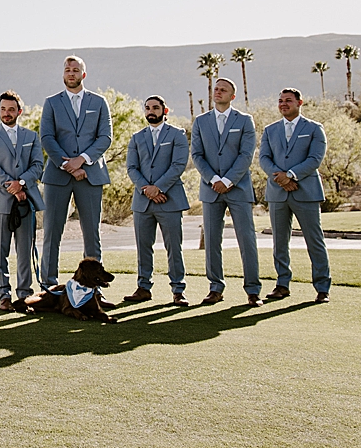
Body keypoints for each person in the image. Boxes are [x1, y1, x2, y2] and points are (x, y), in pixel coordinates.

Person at [38, 55, 112, 291]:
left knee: (92, 233)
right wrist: (67, 164)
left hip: (90, 175)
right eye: (68, 70)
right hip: (58, 176)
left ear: (84, 74)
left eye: (76, 70)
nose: (71, 73)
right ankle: (48, 285)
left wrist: (82, 160)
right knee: (52, 231)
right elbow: (47, 137)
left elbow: (105, 138)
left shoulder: (99, 102)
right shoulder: (52, 103)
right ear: (63, 74)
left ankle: (93, 287)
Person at [191, 77, 262, 307]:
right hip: (210, 189)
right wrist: (213, 179)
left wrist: (228, 180)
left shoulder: (244, 121)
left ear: (233, 96)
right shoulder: (201, 121)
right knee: (212, 241)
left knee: (246, 239)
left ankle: (252, 290)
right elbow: (197, 154)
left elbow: (246, 154)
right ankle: (215, 288)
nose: (218, 92)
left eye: (223, 90)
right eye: (216, 89)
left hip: (238, 187)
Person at [260, 87, 332, 303]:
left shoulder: (314, 129)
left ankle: (322, 287)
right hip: (277, 193)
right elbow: (264, 158)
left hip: (306, 192)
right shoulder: (270, 130)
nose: (283, 104)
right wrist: (279, 178)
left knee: (314, 240)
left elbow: (315, 159)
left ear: (300, 103)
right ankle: (282, 285)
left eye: (288, 100)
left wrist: (290, 175)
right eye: (280, 100)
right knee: (279, 242)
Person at [121, 95, 190, 307]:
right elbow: (132, 168)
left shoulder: (177, 134)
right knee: (143, 247)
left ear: (164, 110)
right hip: (143, 202)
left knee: (173, 247)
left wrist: (157, 188)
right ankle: (143, 288)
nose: (151, 111)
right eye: (148, 108)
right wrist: (147, 189)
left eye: (156, 107)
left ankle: (178, 290)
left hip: (169, 200)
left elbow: (178, 165)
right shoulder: (137, 137)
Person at [0, 91, 44, 311]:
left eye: (10, 109)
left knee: (25, 250)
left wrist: (23, 184)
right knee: (0, 252)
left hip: (26, 201)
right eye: (2, 109)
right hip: (0, 202)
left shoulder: (31, 137)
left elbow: (38, 165)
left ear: (19, 111)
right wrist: (12, 187)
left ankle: (24, 295)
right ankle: (4, 296)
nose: (6, 113)